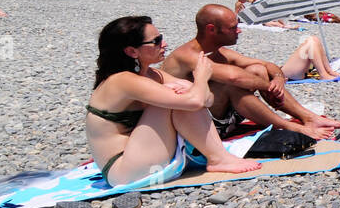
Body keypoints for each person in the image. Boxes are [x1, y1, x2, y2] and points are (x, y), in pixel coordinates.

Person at [85, 16, 261, 188]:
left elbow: (207, 99)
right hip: (123, 171)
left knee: (183, 91)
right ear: (132, 51)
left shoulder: (154, 75)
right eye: (156, 41)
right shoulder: (123, 81)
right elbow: (196, 101)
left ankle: (219, 156)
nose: (164, 44)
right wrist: (200, 79)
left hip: (142, 155)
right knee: (179, 97)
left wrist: (194, 90)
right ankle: (218, 159)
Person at [163, 4, 340, 140]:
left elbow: (267, 65)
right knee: (233, 86)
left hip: (223, 119)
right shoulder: (187, 55)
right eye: (233, 27)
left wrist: (278, 78)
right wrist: (269, 85)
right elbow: (233, 77)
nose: (239, 31)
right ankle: (289, 127)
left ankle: (308, 117)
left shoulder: (220, 52)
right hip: (197, 128)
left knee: (257, 70)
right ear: (211, 29)